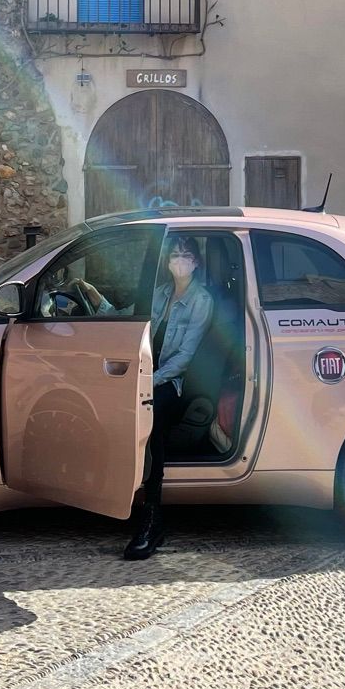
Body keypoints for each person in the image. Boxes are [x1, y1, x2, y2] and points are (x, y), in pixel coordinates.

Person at [64, 237, 213, 561]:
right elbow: (125, 319)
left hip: (171, 382)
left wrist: (147, 383)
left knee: (151, 414)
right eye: (174, 254)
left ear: (196, 263)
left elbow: (183, 358)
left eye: (186, 255)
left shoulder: (202, 301)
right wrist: (93, 296)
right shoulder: (159, 293)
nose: (179, 260)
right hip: (144, 375)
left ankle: (152, 515)